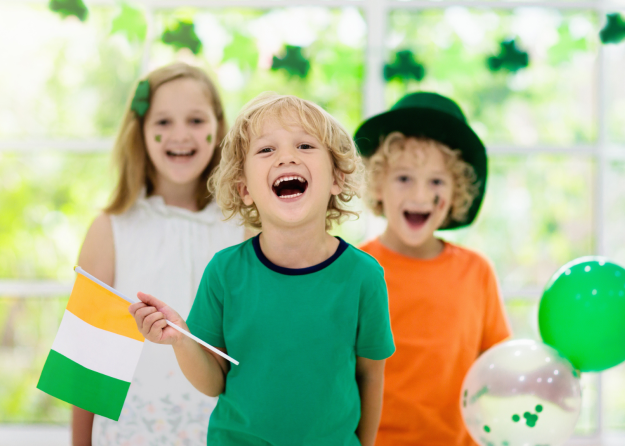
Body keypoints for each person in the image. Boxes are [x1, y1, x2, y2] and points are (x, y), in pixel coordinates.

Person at [129, 93, 395, 446]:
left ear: (337, 179)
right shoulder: (225, 272)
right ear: (245, 190)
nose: (287, 156)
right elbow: (213, 382)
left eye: (304, 145)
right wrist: (180, 338)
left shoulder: (364, 276)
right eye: (266, 150)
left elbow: (371, 377)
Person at [73, 62, 245, 446]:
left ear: (218, 126)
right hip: (130, 432)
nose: (180, 135)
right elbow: (85, 360)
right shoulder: (110, 229)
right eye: (163, 122)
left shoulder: (245, 228)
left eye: (196, 120)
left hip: (223, 432)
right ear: (142, 131)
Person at [354, 92, 512, 446]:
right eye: (404, 178)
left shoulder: (476, 272)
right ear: (378, 184)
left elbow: (499, 368)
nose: (421, 196)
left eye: (437, 181)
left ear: (457, 192)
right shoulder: (353, 271)